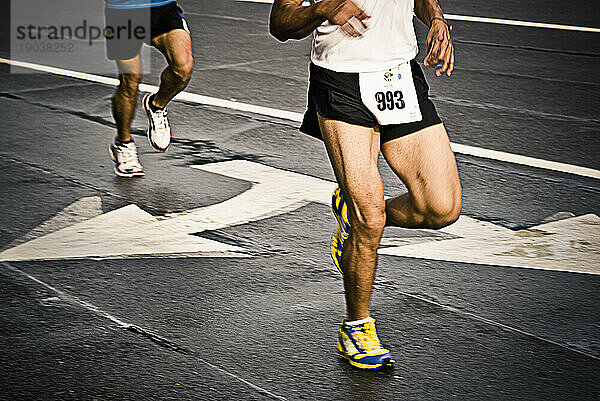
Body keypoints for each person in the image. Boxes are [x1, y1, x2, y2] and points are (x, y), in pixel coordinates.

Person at [269, 0, 462, 370]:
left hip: (400, 75)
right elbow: (281, 22)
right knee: (369, 215)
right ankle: (356, 327)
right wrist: (324, 8)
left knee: (442, 206)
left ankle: (355, 216)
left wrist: (436, 18)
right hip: (340, 80)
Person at [104, 0, 194, 177]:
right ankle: (123, 143)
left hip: (162, 7)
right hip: (123, 10)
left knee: (183, 69)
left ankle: (156, 105)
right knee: (130, 81)